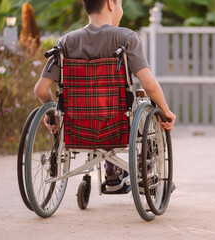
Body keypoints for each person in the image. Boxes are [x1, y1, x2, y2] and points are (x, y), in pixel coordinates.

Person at [34, 0, 176, 193]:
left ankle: (113, 171)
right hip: (118, 123)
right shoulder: (126, 37)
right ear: (111, 3)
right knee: (151, 111)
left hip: (78, 125)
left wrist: (52, 115)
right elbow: (149, 84)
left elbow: (41, 90)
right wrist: (165, 110)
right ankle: (147, 171)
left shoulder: (66, 42)